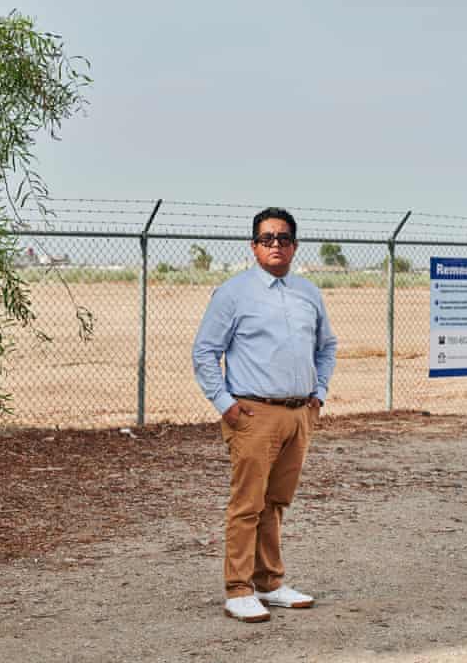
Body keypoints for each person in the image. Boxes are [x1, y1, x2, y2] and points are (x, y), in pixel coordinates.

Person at [192, 207, 338, 622]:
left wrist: (318, 395)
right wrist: (226, 405)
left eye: (284, 238)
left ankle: (269, 583)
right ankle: (238, 589)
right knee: (248, 503)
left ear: (294, 245)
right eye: (267, 238)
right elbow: (205, 352)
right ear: (254, 246)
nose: (276, 244)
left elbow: (327, 346)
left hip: (298, 414)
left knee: (275, 502)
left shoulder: (308, 292)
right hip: (253, 414)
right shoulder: (234, 293)